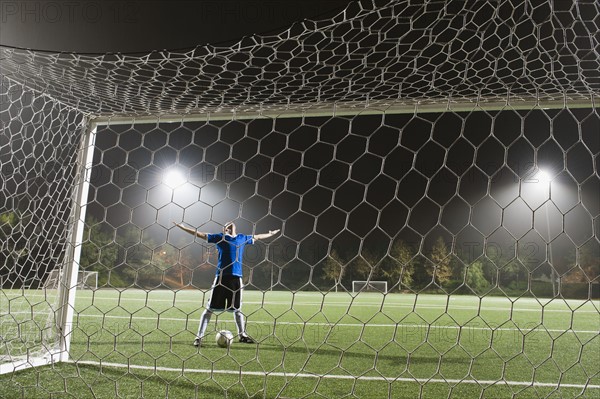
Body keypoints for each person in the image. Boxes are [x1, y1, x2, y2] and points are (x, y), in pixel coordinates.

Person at [174, 221, 280, 347]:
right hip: (221, 278)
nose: (229, 224)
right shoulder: (220, 237)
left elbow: (257, 237)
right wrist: (184, 228)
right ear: (225, 229)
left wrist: (270, 234)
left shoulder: (242, 238)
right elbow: (201, 234)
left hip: (236, 278)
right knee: (209, 309)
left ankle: (242, 335)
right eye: (226, 225)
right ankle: (199, 337)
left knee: (237, 310)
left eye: (231, 224)